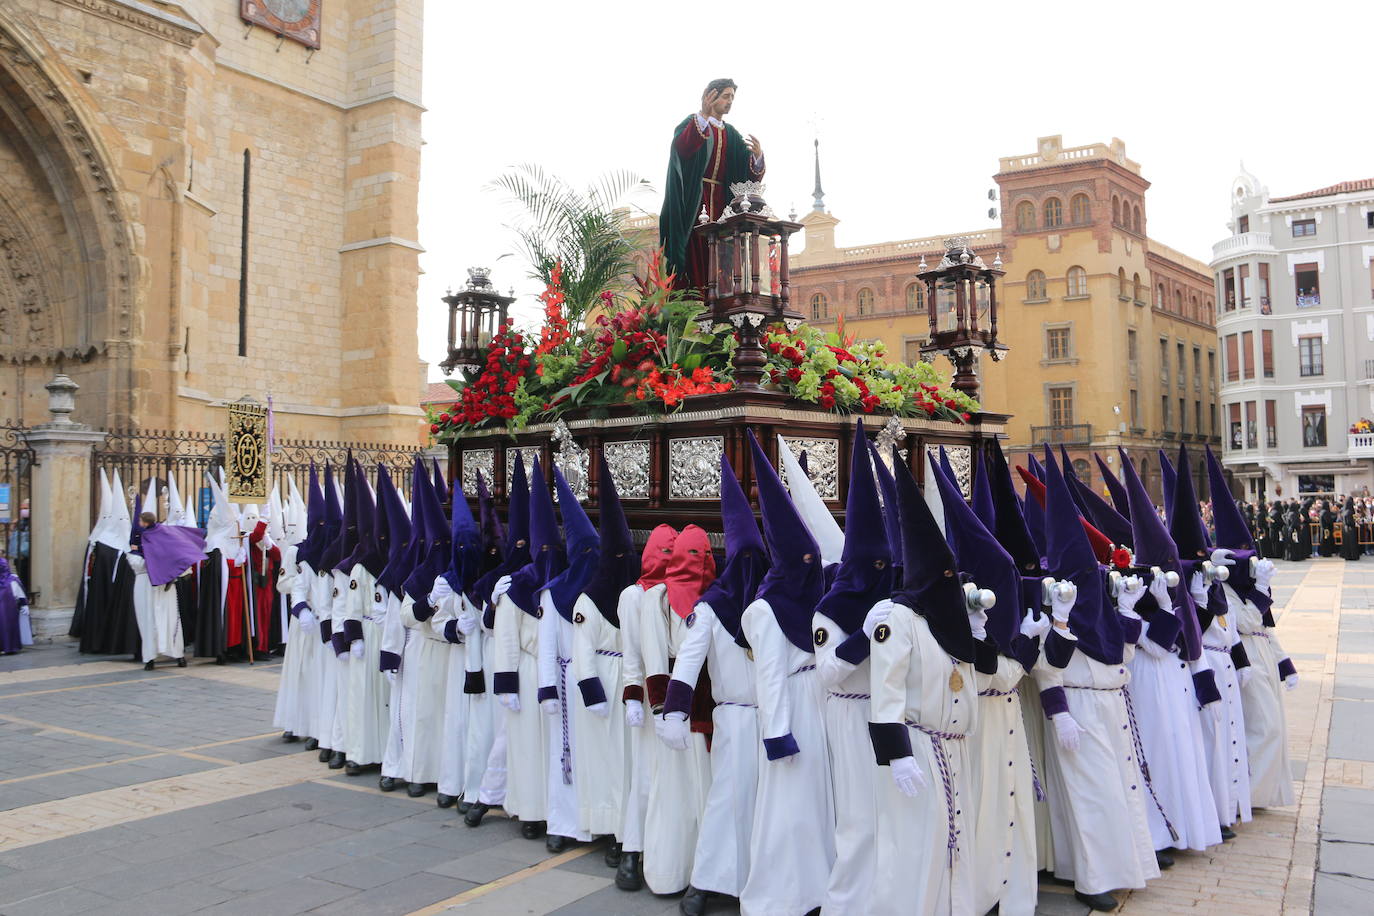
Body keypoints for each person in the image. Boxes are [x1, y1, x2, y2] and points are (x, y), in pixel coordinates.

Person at [1032, 450, 1158, 912]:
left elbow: (1121, 650)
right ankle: (1091, 877)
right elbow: (1046, 668)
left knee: (1122, 787)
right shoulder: (1057, 610)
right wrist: (1059, 713)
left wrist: (1126, 611)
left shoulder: (1100, 603)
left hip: (1112, 703)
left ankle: (1128, 865)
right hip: (1079, 708)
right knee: (1092, 794)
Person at [866, 443, 982, 916]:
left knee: (953, 842)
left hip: (951, 747)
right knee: (916, 846)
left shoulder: (949, 621)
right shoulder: (899, 619)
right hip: (917, 749)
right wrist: (897, 755)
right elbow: (886, 685)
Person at [657, 454, 768, 916]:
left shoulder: (774, 602)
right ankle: (707, 881)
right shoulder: (709, 608)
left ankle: (767, 883)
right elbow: (688, 659)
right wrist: (675, 710)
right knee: (728, 799)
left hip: (774, 717)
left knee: (773, 805)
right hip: (734, 717)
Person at [738, 430, 835, 916]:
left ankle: (817, 888)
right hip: (790, 715)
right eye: (804, 562)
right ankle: (779, 895)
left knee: (818, 805)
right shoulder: (766, 610)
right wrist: (777, 733)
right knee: (788, 807)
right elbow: (770, 676)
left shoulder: (811, 599)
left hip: (815, 707)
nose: (811, 568)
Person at [1206, 449, 1299, 809]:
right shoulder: (1224, 586)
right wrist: (1259, 592)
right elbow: (1242, 622)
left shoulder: (1249, 584)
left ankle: (1263, 791)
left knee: (1274, 725)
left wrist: (1286, 664)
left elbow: (1265, 628)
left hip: (1262, 655)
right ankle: (1250, 793)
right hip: (1242, 656)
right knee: (1261, 729)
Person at [659, 78, 765, 291]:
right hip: (694, 201)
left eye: (732, 97)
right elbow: (683, 148)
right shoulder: (693, 123)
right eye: (726, 96)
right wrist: (703, 116)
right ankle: (693, 300)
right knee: (695, 248)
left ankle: (721, 299)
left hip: (723, 203)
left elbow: (747, 176)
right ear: (711, 96)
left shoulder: (732, 134)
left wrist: (757, 157)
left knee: (723, 251)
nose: (730, 101)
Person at [0, 557, 30, 655]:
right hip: (9, 611)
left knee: (8, 627)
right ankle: (10, 647)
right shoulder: (13, 579)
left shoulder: (13, 579)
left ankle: (10, 647)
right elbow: (20, 594)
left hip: (9, 611)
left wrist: (24, 604)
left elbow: (20, 594)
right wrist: (24, 604)